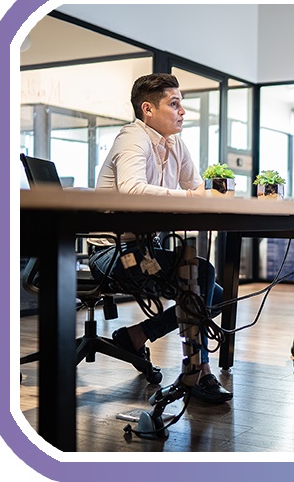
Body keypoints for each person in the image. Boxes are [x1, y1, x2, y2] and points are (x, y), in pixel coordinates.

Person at [89, 73, 232, 404]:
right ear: (148, 109)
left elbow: (195, 189)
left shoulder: (175, 143)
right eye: (174, 103)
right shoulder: (132, 139)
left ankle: (136, 335)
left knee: (216, 293)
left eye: (182, 104)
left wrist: (202, 195)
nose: (182, 111)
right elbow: (133, 189)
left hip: (144, 250)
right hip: (112, 254)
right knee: (203, 278)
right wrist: (192, 198)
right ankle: (199, 373)